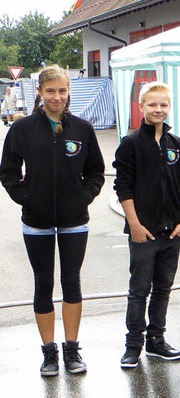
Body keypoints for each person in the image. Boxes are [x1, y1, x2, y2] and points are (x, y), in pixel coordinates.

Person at [0, 65, 105, 376]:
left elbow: (96, 172)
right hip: (37, 220)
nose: (56, 97)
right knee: (43, 284)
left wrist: (83, 196)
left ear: (68, 91)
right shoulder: (21, 130)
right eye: (50, 91)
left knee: (71, 282)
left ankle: (72, 349)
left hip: (75, 220)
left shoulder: (83, 129)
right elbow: (7, 172)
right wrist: (27, 197)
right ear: (40, 93)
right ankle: (49, 353)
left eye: (62, 91)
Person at [113, 81, 180, 368]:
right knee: (139, 289)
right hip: (143, 232)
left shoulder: (177, 144)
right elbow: (124, 187)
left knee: (163, 288)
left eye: (163, 105)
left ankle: (156, 340)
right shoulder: (131, 143)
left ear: (170, 108)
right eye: (152, 104)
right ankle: (133, 344)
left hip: (172, 231)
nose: (158, 109)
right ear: (141, 106)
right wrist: (133, 224)